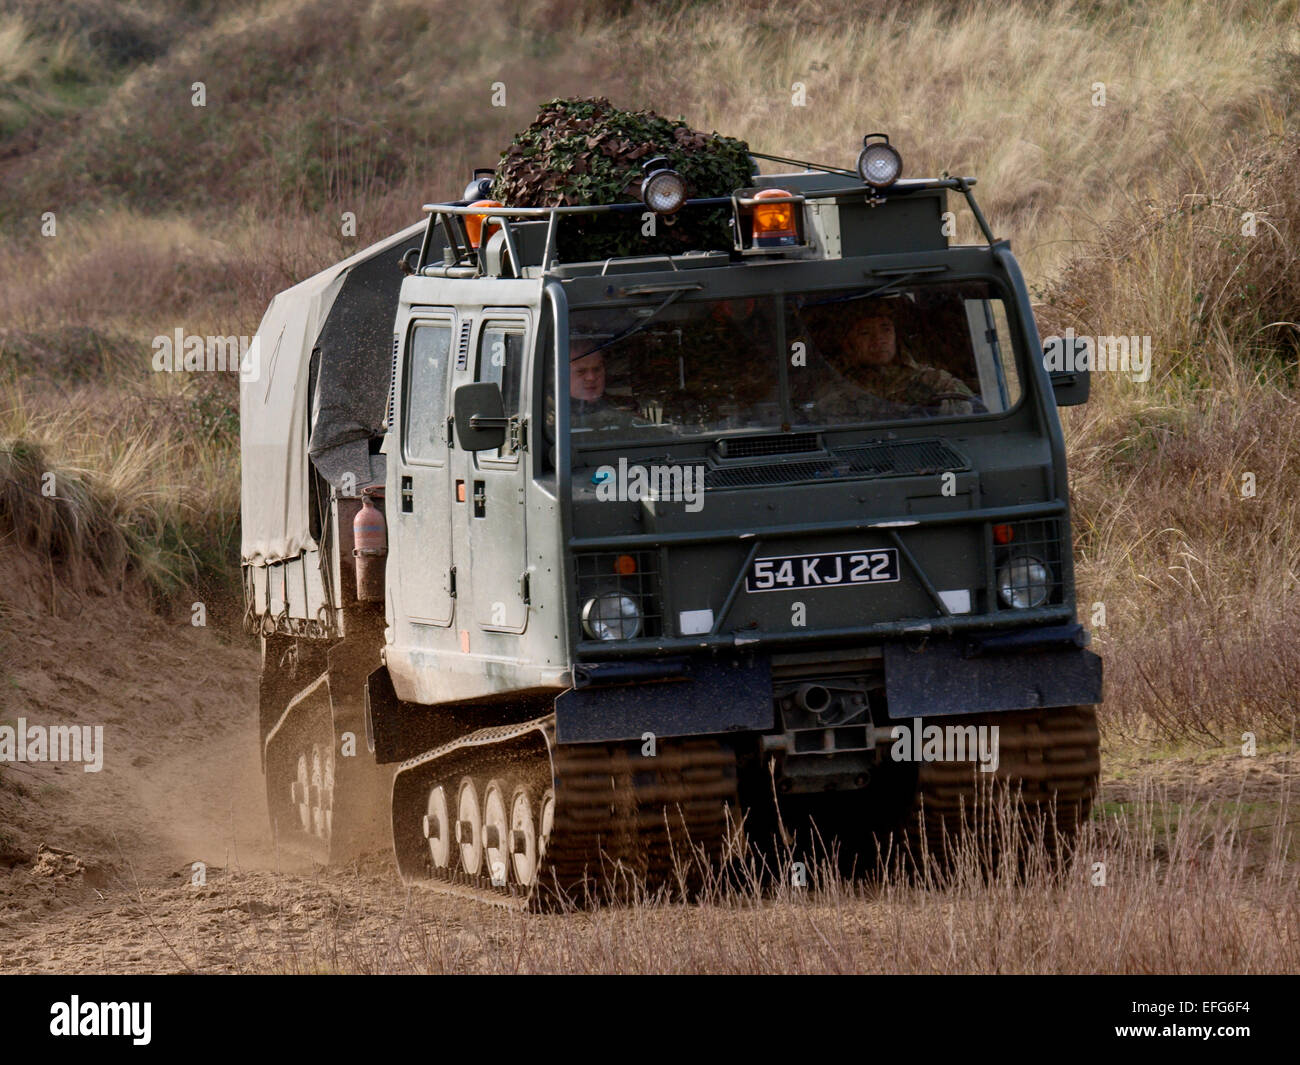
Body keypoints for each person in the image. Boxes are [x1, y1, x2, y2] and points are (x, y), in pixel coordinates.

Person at [813, 302, 977, 420]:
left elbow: (970, 409)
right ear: (848, 343)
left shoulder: (932, 380)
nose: (879, 340)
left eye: (886, 329)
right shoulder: (832, 385)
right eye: (865, 333)